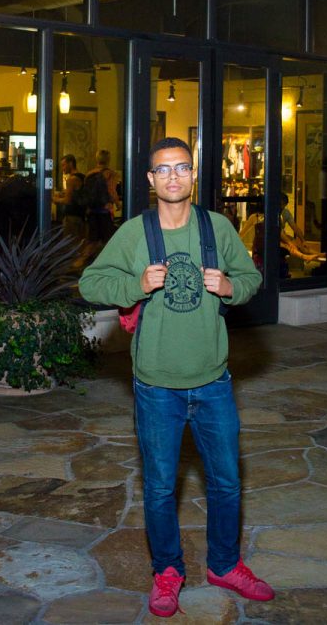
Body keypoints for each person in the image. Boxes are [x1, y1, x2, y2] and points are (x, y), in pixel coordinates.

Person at [79, 137, 274, 618]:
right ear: (149, 180)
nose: (172, 177)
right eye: (162, 170)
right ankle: (167, 570)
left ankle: (225, 565)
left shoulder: (217, 227)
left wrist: (231, 287)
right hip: (156, 385)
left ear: (193, 174)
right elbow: (89, 282)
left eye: (181, 168)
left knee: (226, 481)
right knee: (161, 486)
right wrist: (134, 284)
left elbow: (251, 279)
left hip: (213, 381)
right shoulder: (135, 232)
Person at [84, 149, 120, 244]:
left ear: (96, 159)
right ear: (109, 159)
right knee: (107, 242)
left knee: (93, 242)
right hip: (105, 211)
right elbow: (112, 191)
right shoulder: (111, 174)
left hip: (92, 211)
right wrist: (118, 205)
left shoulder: (89, 174)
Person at [52, 154, 85, 239]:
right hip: (81, 216)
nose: (62, 168)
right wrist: (62, 194)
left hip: (72, 217)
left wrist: (54, 199)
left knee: (70, 245)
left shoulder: (71, 179)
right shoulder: (82, 176)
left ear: (70, 164)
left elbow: (67, 200)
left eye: (63, 165)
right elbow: (76, 194)